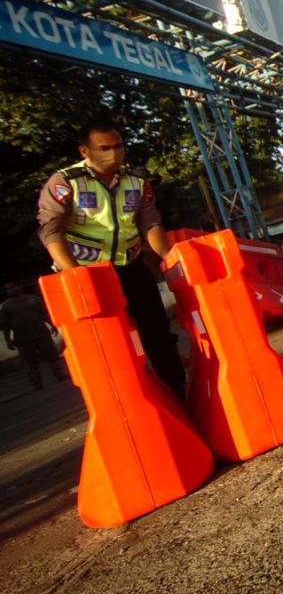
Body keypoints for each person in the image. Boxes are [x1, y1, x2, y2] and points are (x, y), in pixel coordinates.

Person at [36, 117, 187, 399]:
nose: (114, 153)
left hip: (131, 267)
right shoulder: (65, 183)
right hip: (88, 274)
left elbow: (150, 223)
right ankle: (131, 401)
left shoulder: (137, 181)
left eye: (118, 146)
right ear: (85, 151)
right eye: (104, 148)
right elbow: (51, 230)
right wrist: (74, 274)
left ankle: (178, 391)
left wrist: (169, 258)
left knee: (158, 333)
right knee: (110, 345)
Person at [1, 282, 69, 390]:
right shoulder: (5, 306)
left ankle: (61, 375)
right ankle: (36, 383)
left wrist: (53, 324)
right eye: (7, 289)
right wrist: (8, 340)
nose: (10, 290)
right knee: (29, 363)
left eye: (12, 287)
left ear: (19, 287)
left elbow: (44, 313)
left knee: (53, 357)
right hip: (23, 339)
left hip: (41, 333)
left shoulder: (33, 299)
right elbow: (5, 325)